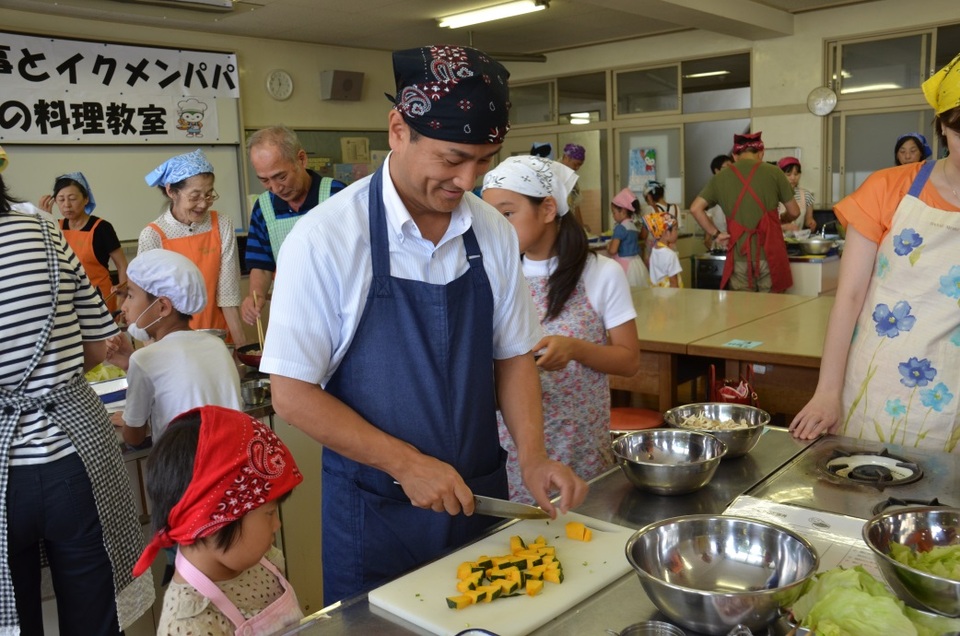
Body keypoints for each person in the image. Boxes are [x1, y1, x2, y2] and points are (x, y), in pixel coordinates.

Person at [260, 45, 588, 604]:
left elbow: (512, 356)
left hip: (477, 497)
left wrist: (531, 458)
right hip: (376, 510)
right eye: (452, 158)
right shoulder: (327, 238)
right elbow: (290, 394)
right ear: (397, 129)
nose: (467, 179)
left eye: (484, 162)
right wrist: (406, 464)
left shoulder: (492, 233)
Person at [0, 149, 153, 634]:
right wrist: (48, 371)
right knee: (93, 612)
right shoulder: (46, 231)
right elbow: (95, 345)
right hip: (74, 455)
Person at [790, 51, 960, 452]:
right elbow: (848, 298)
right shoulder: (888, 188)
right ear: (941, 126)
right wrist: (827, 392)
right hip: (879, 382)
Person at [482, 156, 640, 504]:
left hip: (579, 444)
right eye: (489, 216)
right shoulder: (496, 275)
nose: (497, 227)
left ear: (548, 208)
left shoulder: (600, 273)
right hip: (513, 448)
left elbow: (629, 361)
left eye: (507, 214)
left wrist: (574, 349)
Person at [133, 405, 304, 635]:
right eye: (269, 513)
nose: (277, 524)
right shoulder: (188, 625)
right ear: (214, 523)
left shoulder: (265, 561)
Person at [107, 249, 242, 446]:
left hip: (185, 471)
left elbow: (133, 438)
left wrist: (129, 419)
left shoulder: (144, 359)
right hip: (231, 465)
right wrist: (130, 365)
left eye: (130, 296)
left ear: (162, 306)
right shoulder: (217, 345)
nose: (124, 306)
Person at [241, 126, 347, 326]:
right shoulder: (264, 207)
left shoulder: (336, 194)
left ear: (301, 159)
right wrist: (255, 296)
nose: (275, 188)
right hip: (290, 309)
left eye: (281, 176)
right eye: (264, 180)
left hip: (339, 307)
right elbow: (262, 264)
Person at [139, 149, 246, 345]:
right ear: (172, 191)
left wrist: (242, 350)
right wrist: (152, 357)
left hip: (218, 337)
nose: (203, 204)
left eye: (209, 194)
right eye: (195, 196)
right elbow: (148, 306)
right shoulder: (153, 236)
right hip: (173, 344)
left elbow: (228, 294)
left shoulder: (222, 224)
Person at [689, 132, 800, 293]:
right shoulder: (775, 172)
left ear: (734, 156)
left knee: (743, 313)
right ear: (761, 153)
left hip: (739, 257)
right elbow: (795, 212)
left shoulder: (720, 178)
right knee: (772, 313)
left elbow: (695, 209)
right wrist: (781, 219)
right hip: (771, 256)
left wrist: (716, 234)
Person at [38, 172, 129, 312]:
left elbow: (122, 265)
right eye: (61, 200)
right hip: (67, 301)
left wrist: (123, 300)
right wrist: (45, 220)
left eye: (72, 198)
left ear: (86, 199)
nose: (67, 205)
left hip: (100, 300)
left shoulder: (102, 228)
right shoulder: (55, 226)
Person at [606, 187, 650, 288]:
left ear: (623, 211)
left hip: (624, 265)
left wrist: (609, 247)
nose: (613, 216)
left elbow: (613, 250)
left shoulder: (620, 228)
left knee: (625, 290)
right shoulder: (633, 226)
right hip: (637, 264)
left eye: (614, 212)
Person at [641, 179, 681, 263]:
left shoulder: (649, 209)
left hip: (655, 250)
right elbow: (677, 230)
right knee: (671, 274)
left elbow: (643, 235)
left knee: (656, 275)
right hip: (672, 250)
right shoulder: (676, 208)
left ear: (649, 196)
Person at [777, 157, 817, 233]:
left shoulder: (806, 195)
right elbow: (767, 225)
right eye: (788, 174)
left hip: (797, 240)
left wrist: (810, 223)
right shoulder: (774, 195)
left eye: (796, 174)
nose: (793, 178)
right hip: (778, 241)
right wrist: (784, 227)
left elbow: (808, 218)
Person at [644, 210, 683, 288]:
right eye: (676, 229)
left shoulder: (654, 251)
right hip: (670, 296)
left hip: (657, 294)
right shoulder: (670, 255)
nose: (677, 232)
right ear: (667, 233)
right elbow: (673, 283)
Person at [703, 154, 733, 249]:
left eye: (732, 167)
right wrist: (708, 236)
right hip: (720, 240)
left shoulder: (736, 188)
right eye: (726, 167)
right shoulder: (712, 190)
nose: (731, 170)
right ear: (717, 171)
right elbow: (709, 216)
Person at [560, 143, 588, 229]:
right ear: (566, 158)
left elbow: (575, 204)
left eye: (580, 165)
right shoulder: (552, 174)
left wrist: (581, 227)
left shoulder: (572, 178)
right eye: (576, 164)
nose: (577, 168)